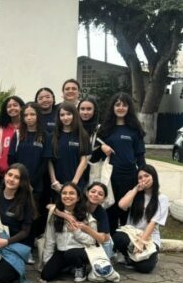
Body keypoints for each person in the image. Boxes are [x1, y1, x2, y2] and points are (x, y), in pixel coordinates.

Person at [95, 92, 146, 234]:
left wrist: (144, 175)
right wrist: (101, 147)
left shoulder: (135, 130)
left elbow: (140, 156)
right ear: (112, 107)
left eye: (124, 105)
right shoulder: (104, 129)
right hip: (109, 177)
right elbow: (94, 156)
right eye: (118, 104)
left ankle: (124, 245)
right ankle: (110, 246)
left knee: (126, 211)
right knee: (110, 210)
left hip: (129, 177)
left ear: (129, 108)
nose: (121, 108)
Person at [8, 102, 49, 247]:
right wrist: (18, 181)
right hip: (17, 183)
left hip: (35, 186)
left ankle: (29, 247)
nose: (29, 118)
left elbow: (45, 162)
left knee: (31, 217)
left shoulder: (44, 135)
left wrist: (31, 183)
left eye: (32, 114)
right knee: (17, 215)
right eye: (26, 115)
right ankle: (13, 244)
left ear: (38, 115)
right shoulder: (18, 134)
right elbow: (11, 159)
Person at [113, 164, 168, 273]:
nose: (143, 179)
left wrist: (142, 241)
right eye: (140, 177)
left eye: (146, 176)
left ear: (154, 177)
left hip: (149, 238)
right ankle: (132, 256)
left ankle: (139, 258)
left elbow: (153, 222)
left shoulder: (162, 198)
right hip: (131, 235)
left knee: (145, 268)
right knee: (118, 237)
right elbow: (122, 205)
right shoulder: (134, 194)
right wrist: (136, 189)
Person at [41, 183, 96, 283]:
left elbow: (92, 241)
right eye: (64, 193)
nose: (67, 196)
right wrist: (47, 260)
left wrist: (77, 232)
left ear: (78, 198)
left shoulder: (86, 216)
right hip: (61, 251)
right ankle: (69, 266)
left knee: (71, 254)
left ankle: (80, 267)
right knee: (46, 275)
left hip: (80, 251)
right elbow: (50, 239)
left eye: (71, 193)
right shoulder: (55, 214)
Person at [52, 182, 114, 258]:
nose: (95, 195)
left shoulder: (101, 213)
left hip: (90, 241)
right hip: (72, 242)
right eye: (93, 191)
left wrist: (85, 228)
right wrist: (66, 215)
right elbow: (50, 206)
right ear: (87, 193)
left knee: (106, 246)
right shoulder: (78, 203)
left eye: (100, 194)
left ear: (104, 199)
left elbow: (104, 238)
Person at [48, 102, 91, 193]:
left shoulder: (82, 135)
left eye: (69, 114)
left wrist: (74, 182)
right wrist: (54, 181)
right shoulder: (52, 136)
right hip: (57, 186)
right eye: (62, 115)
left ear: (74, 115)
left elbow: (84, 161)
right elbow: (49, 161)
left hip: (77, 184)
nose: (65, 117)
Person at [0, 96, 25, 185]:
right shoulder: (1, 127)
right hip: (4, 173)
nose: (12, 108)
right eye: (9, 106)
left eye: (15, 105)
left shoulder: (27, 127)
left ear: (21, 107)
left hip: (23, 174)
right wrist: (0, 162)